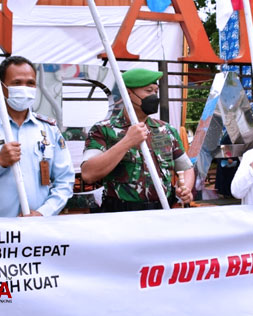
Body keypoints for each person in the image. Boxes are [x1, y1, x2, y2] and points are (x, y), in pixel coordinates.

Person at [0, 56, 74, 217]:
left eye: (30, 83)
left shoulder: (49, 129)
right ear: (3, 87)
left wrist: (43, 213)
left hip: (37, 229)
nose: (24, 88)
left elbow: (65, 181)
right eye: (17, 83)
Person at [80, 68, 194, 212]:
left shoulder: (166, 130)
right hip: (121, 214)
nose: (154, 96)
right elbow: (88, 174)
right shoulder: (102, 130)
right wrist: (127, 141)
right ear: (128, 93)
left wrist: (186, 189)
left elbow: (186, 167)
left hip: (162, 211)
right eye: (148, 91)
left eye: (156, 91)